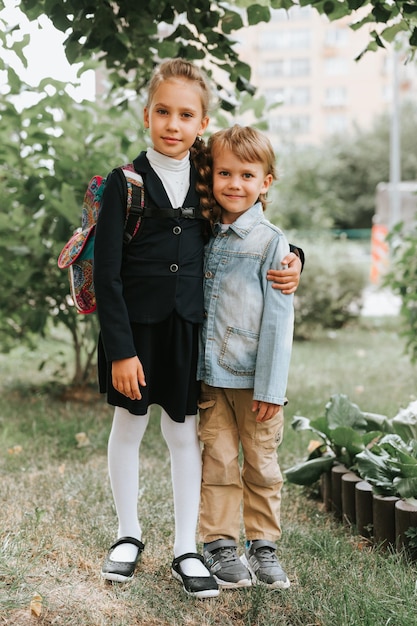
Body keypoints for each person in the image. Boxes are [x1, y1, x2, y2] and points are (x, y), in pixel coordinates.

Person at [93, 59, 301, 599]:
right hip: (134, 335)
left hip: (189, 332)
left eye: (186, 114)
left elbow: (246, 223)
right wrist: (120, 349)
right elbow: (106, 273)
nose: (173, 124)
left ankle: (188, 546)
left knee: (185, 435)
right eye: (163, 111)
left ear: (201, 123)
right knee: (129, 426)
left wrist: (295, 255)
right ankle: (128, 533)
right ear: (146, 115)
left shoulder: (209, 176)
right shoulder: (126, 183)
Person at [198, 125, 294, 591]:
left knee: (261, 465)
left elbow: (279, 321)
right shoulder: (205, 233)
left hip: (255, 383)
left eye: (246, 175)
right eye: (224, 173)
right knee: (216, 461)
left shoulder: (271, 243)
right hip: (212, 378)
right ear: (211, 176)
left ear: (266, 182)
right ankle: (219, 544)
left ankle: (263, 546)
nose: (234, 184)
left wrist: (271, 388)